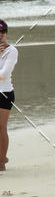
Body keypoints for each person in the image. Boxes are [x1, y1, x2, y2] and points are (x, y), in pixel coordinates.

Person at [0, 19, 18, 172]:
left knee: (1, 127)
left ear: (6, 34)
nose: (0, 35)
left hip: (4, 93)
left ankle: (2, 162)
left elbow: (4, 74)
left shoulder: (12, 51)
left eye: (2, 33)